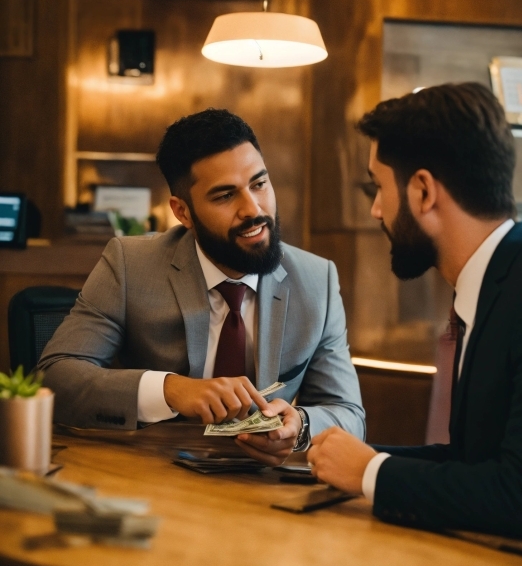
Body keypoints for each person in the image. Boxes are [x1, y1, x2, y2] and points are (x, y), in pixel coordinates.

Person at [308, 82, 522, 539]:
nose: (377, 210)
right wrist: (319, 453)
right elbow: (471, 462)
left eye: (378, 187)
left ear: (423, 191)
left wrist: (370, 472)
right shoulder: (502, 280)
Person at [40, 108, 364, 465]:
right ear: (183, 212)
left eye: (259, 184)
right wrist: (170, 389)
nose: (253, 209)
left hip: (265, 483)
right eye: (225, 196)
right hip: (151, 472)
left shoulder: (318, 280)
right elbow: (56, 376)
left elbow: (348, 414)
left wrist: (299, 426)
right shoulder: (130, 265)